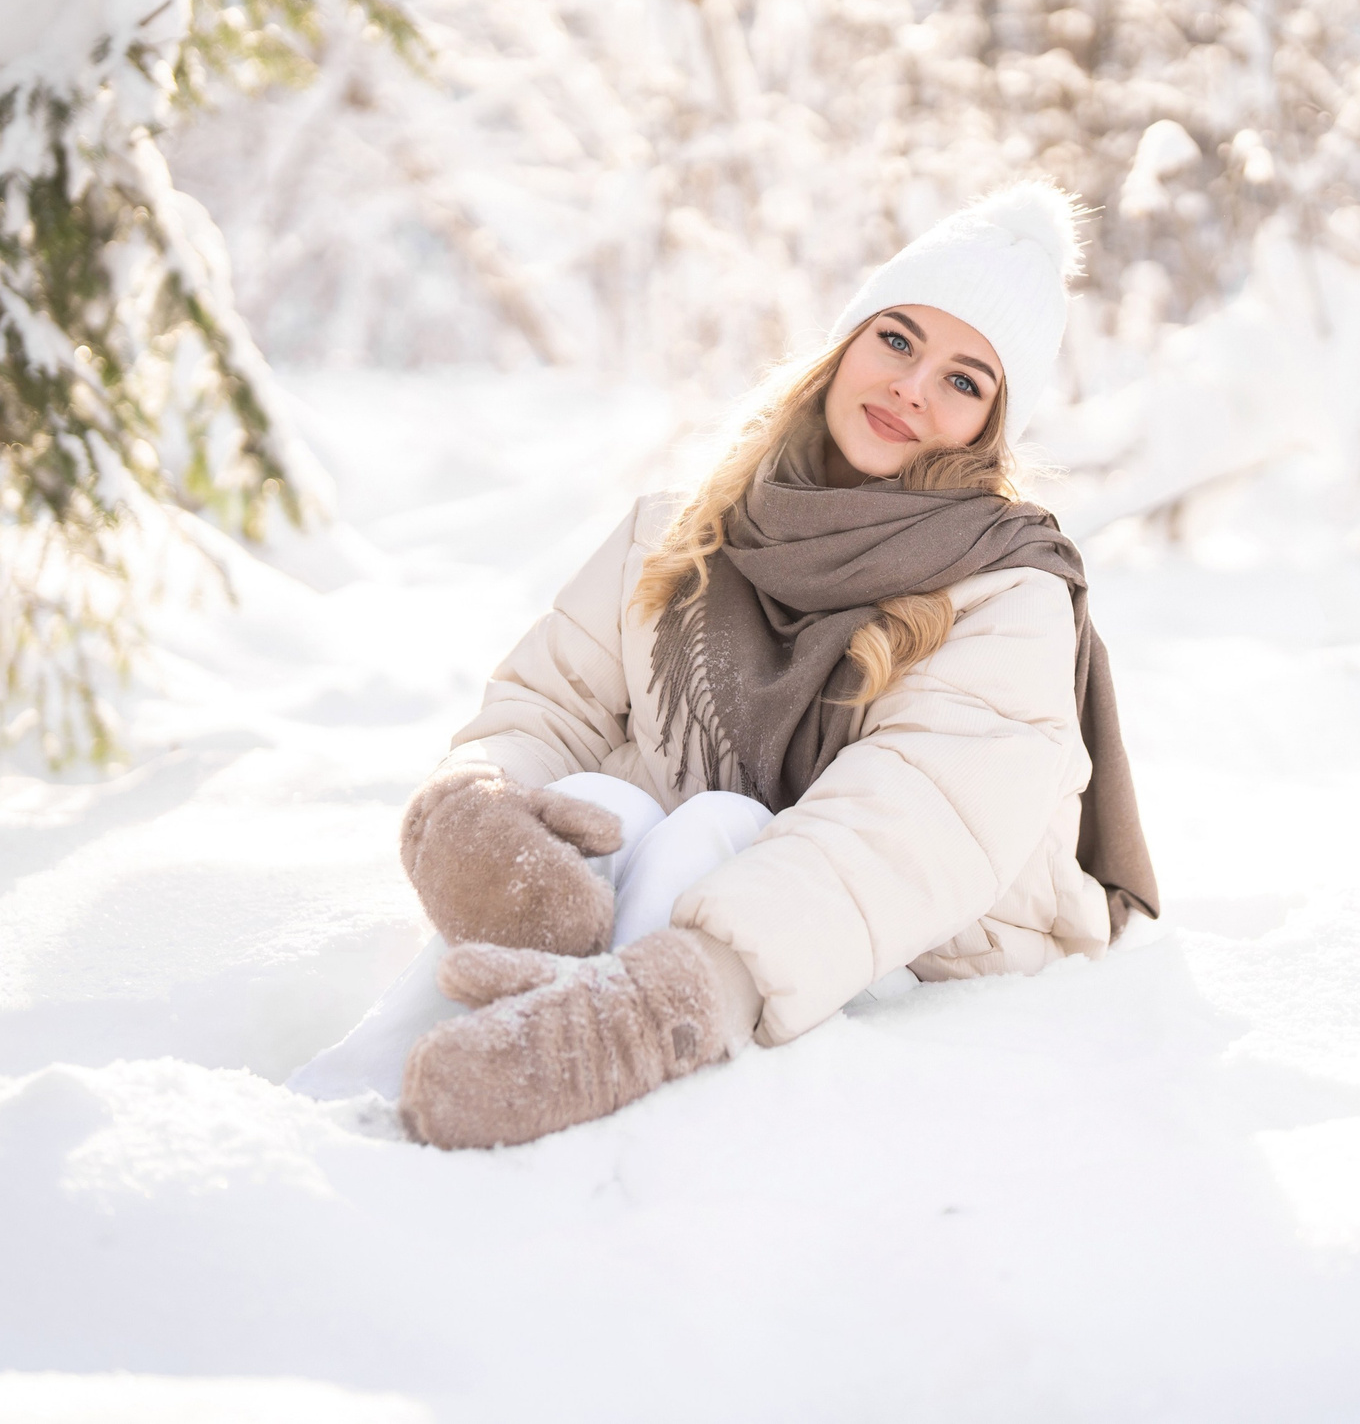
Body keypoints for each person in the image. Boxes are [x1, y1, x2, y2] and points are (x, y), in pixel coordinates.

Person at [298, 182, 1158, 1148]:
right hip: (689, 914)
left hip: (909, 945)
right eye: (898, 339)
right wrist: (480, 818)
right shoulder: (679, 532)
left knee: (717, 824)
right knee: (603, 809)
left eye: (966, 381)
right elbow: (545, 706)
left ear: (991, 429)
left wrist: (656, 1002)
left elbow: (908, 832)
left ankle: (576, 1086)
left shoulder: (1007, 590)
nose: (913, 386)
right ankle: (350, 1108)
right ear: (846, 345)